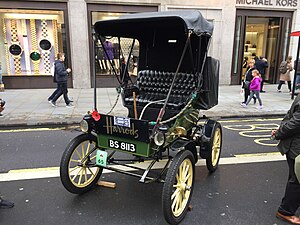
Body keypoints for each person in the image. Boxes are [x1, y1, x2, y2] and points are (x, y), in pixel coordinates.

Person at [271, 93, 300, 224]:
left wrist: (279, 130)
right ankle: (285, 211)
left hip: (294, 145)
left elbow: (290, 115)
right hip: (296, 147)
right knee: (296, 180)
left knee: (295, 178)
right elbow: (295, 122)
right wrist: (279, 133)